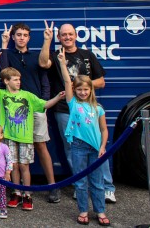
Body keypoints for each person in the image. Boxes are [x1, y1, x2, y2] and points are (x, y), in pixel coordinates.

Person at [39, 21, 117, 203]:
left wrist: (76, 85)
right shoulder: (55, 55)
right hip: (65, 110)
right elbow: (43, 63)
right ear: (59, 38)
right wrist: (47, 40)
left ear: (75, 36)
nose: (67, 37)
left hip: (89, 109)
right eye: (63, 35)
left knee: (97, 147)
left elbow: (101, 82)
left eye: (70, 34)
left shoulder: (87, 55)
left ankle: (107, 187)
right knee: (72, 149)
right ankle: (81, 186)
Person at [0, 52, 63, 211]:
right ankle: (16, 192)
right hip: (9, 137)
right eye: (15, 80)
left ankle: (27, 194)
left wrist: (58, 98)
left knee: (25, 166)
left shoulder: (28, 96)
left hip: (26, 138)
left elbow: (45, 105)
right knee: (14, 166)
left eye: (19, 79)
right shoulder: (2, 95)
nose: (19, 82)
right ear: (6, 81)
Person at [0, 23, 61, 203]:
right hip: (14, 110)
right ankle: (17, 190)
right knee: (15, 151)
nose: (21, 38)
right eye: (18, 35)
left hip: (35, 108)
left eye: (25, 35)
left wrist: (44, 103)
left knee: (41, 145)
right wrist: (3, 45)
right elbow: (3, 71)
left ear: (29, 38)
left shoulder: (36, 56)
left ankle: (52, 186)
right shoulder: (8, 55)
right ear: (13, 37)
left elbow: (45, 79)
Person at [57, 49, 111, 226]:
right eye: (79, 89)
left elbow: (104, 130)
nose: (82, 92)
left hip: (96, 148)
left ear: (91, 90)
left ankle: (100, 211)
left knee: (97, 182)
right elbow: (67, 80)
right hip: (78, 147)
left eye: (86, 89)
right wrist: (63, 64)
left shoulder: (99, 108)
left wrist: (103, 146)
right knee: (80, 182)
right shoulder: (73, 104)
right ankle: (83, 210)